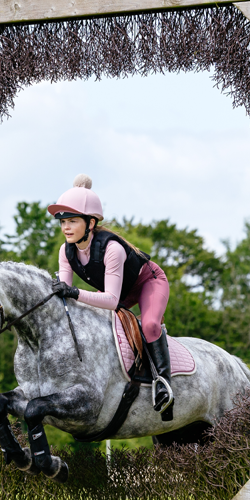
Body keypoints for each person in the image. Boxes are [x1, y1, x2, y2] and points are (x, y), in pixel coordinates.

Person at [48, 174, 174, 414]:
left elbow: (111, 301)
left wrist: (74, 292)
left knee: (148, 324)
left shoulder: (112, 249)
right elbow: (66, 297)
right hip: (115, 289)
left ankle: (163, 384)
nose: (65, 227)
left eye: (72, 221)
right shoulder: (66, 252)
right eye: (62, 222)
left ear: (91, 223)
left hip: (148, 281)